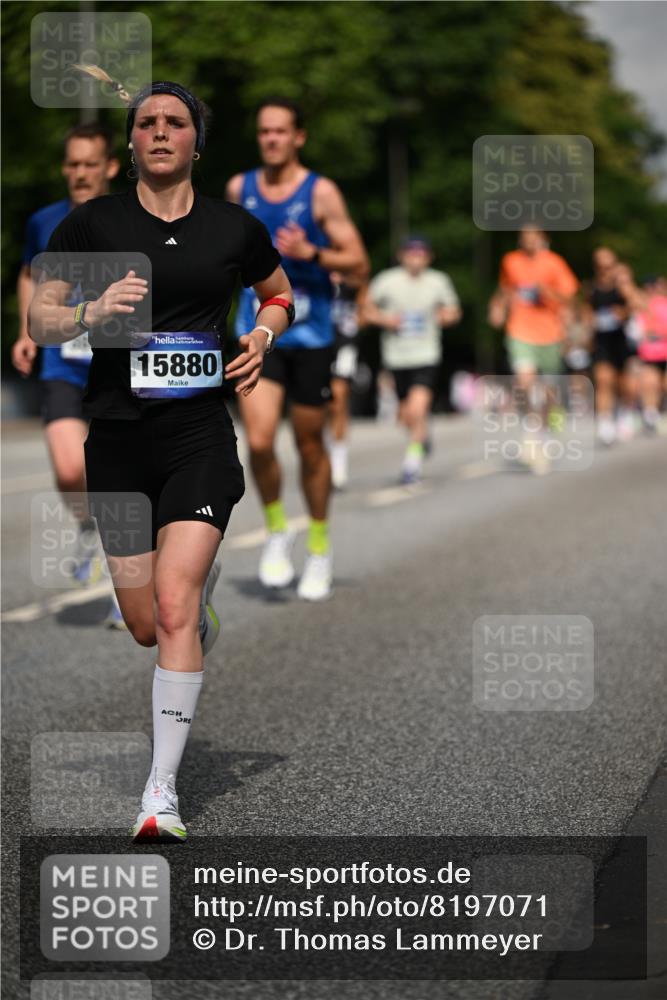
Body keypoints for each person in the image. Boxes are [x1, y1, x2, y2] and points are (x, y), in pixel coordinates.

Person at [29, 79, 293, 842]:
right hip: (115, 437)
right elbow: (40, 319)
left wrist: (260, 337)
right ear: (132, 143)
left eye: (174, 122)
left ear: (196, 142)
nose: (158, 132)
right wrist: (88, 312)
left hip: (198, 437)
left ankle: (159, 794)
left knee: (174, 604)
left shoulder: (232, 229)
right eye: (145, 123)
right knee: (146, 622)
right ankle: (188, 614)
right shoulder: (93, 225)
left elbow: (278, 296)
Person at [226, 98, 368, 601]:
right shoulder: (239, 190)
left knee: (310, 446)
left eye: (281, 132)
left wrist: (314, 253)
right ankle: (276, 530)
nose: (271, 140)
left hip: (311, 336)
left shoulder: (321, 193)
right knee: (259, 443)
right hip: (259, 334)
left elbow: (359, 263)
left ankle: (320, 545)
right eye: (264, 131)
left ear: (298, 137)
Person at [11, 124, 126, 624]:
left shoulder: (130, 218)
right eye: (73, 164)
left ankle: (132, 581)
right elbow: (27, 275)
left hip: (118, 364)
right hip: (62, 360)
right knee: (68, 468)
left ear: (110, 168)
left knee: (123, 472)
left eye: (90, 164)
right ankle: (88, 527)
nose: (80, 173)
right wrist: (25, 330)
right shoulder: (43, 221)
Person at [364, 236, 461, 483]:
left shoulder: (438, 281)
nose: (416, 259)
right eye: (411, 253)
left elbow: (453, 311)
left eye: (421, 254)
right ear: (402, 255)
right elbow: (365, 309)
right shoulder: (387, 281)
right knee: (406, 415)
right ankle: (422, 436)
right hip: (396, 356)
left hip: (426, 354)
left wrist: (445, 317)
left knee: (417, 409)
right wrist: (387, 320)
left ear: (429, 257)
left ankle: (411, 464)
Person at [488, 225, 578, 471]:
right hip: (520, 330)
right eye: (524, 237)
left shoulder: (555, 263)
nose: (528, 241)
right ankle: (531, 429)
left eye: (533, 237)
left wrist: (546, 291)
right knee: (524, 381)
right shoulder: (511, 261)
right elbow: (506, 288)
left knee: (548, 390)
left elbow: (569, 298)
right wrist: (497, 307)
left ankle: (544, 430)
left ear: (543, 239)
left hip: (550, 333)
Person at [583, 247, 634, 445]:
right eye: (600, 266)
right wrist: (590, 322)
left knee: (624, 384)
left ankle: (624, 412)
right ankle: (604, 423)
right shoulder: (592, 288)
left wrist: (624, 311)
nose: (605, 270)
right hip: (601, 341)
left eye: (608, 266)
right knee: (604, 380)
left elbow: (639, 304)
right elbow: (586, 312)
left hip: (620, 341)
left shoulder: (622, 286)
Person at [616, 268, 667, 433]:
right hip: (650, 352)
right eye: (650, 285)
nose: (654, 288)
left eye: (656, 284)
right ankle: (650, 415)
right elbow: (629, 294)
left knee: (663, 384)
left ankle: (656, 412)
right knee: (649, 384)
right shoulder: (643, 301)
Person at [328, 273, 364, 489]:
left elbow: (362, 280)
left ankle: (338, 465)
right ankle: (323, 455)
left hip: (344, 345)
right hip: (317, 342)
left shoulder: (351, 273)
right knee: (317, 408)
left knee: (338, 400)